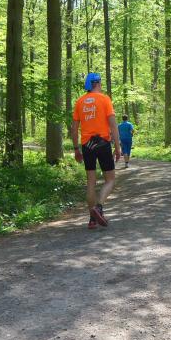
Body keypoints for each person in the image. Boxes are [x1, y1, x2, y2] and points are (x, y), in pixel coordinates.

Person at [72, 72, 122, 229]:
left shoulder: (80, 102)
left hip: (87, 145)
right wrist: (118, 147)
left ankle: (92, 220)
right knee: (110, 180)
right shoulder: (105, 99)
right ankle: (99, 207)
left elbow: (74, 128)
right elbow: (113, 125)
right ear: (98, 83)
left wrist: (76, 149)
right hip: (102, 143)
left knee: (91, 183)